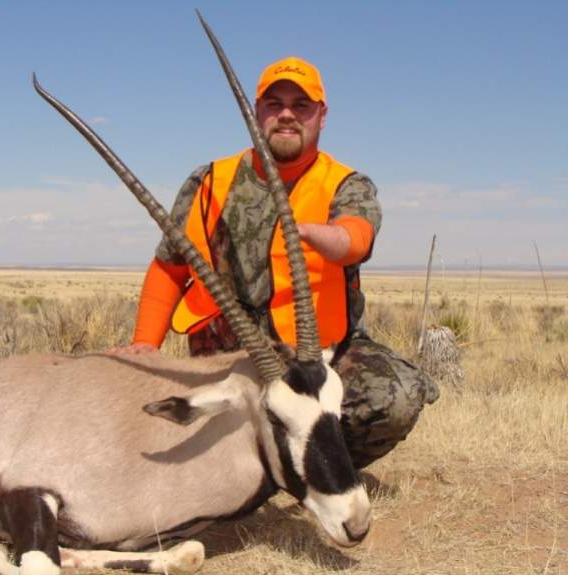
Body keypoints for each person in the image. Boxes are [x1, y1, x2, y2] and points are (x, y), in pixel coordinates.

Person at [117, 57, 438, 468]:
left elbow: (356, 237)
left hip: (318, 356)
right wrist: (145, 344)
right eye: (275, 104)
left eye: (301, 105)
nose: (286, 114)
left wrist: (324, 236)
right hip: (227, 359)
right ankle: (259, 466)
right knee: (146, 408)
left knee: (393, 399)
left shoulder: (347, 184)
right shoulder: (208, 181)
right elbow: (170, 267)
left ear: (321, 116)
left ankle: (318, 471)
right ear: (257, 112)